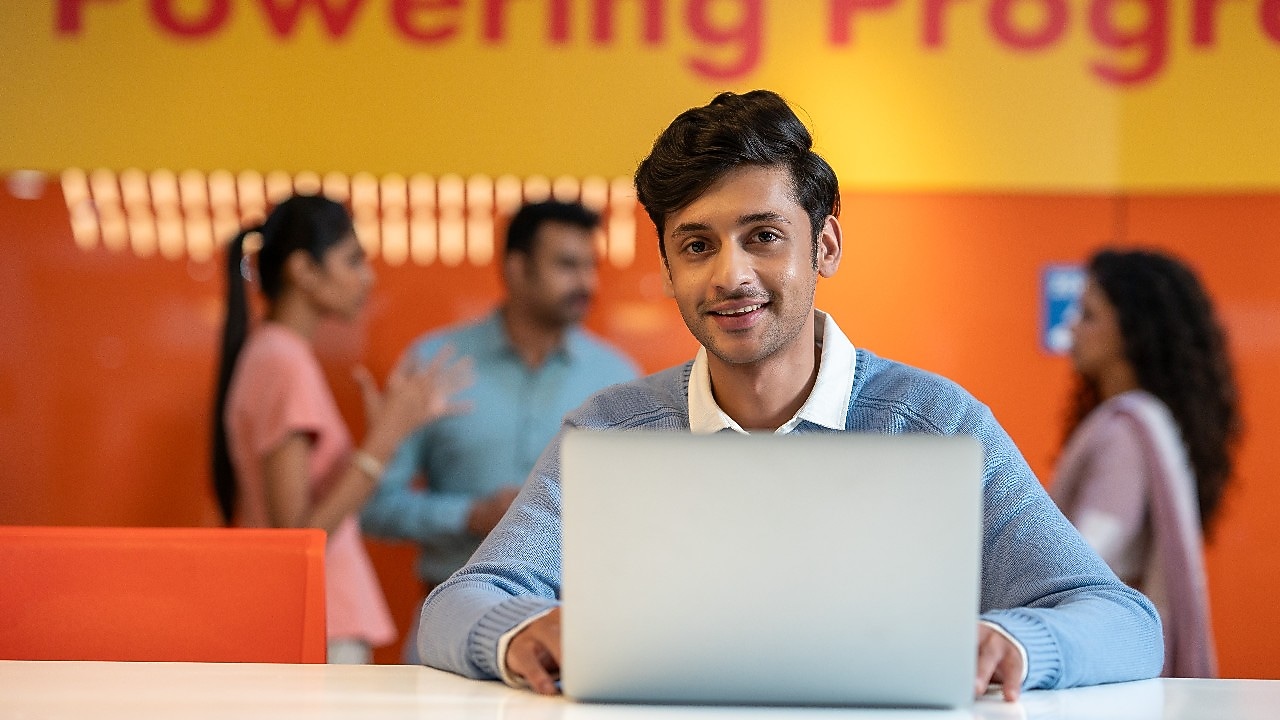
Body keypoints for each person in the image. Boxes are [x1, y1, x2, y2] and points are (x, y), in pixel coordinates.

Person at [416, 90, 1163, 700]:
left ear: (825, 246)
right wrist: (524, 632)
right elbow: (455, 606)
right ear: (670, 266)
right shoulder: (611, 430)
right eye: (697, 244)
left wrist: (1011, 642)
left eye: (763, 236)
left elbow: (1125, 622)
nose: (729, 275)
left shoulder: (936, 424)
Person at [360, 200, 639, 658]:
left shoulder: (617, 379)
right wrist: (470, 516)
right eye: (567, 265)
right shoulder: (436, 364)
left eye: (591, 266)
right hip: (449, 638)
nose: (586, 283)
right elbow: (376, 508)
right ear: (516, 268)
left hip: (577, 647)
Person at [212, 194, 471, 664]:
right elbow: (298, 538)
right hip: (317, 624)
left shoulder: (273, 354)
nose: (367, 277)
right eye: (352, 260)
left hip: (309, 620)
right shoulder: (283, 361)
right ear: (304, 271)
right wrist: (386, 437)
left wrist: (381, 442)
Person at [1051, 248, 1240, 678]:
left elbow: (1080, 559)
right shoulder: (1147, 424)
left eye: (1089, 314)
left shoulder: (1124, 435)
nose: (1072, 327)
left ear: (1132, 331)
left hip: (1107, 658)